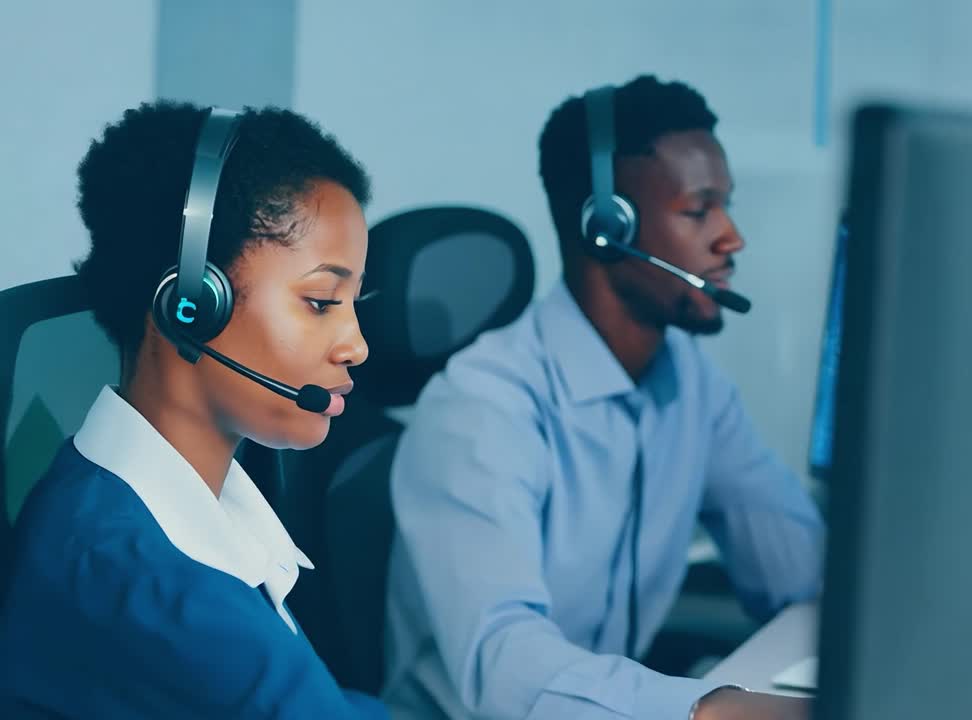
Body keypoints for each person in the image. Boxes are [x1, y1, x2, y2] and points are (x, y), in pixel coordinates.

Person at [383, 75, 825, 720]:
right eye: (699, 210)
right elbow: (507, 670)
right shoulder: (483, 408)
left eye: (726, 206)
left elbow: (796, 570)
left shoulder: (690, 385)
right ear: (606, 228)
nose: (732, 238)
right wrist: (716, 711)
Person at [0, 102, 386, 718]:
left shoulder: (130, 499)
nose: (356, 345)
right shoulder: (155, 596)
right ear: (190, 306)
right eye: (321, 301)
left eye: (353, 302)